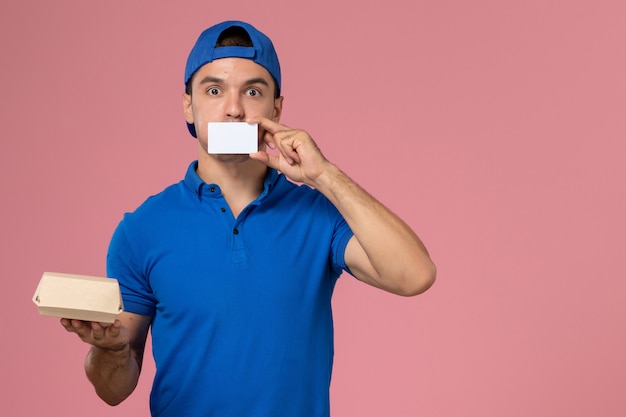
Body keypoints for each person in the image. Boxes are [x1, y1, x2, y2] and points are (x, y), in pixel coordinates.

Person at [61, 20, 436, 417]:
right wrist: (110, 350)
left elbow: (416, 275)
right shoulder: (141, 230)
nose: (234, 108)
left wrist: (324, 175)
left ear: (276, 108)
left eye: (253, 91)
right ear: (189, 104)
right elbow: (113, 390)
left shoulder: (318, 214)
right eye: (214, 90)